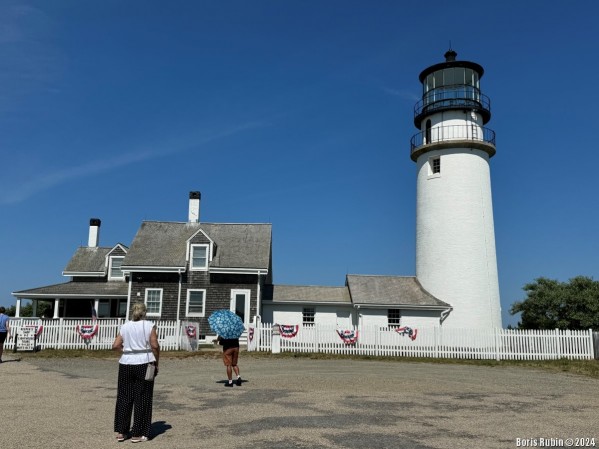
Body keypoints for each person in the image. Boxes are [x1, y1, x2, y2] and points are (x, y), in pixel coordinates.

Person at [112, 303, 160, 443]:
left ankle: (122, 431)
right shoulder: (149, 325)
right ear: (144, 313)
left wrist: (126, 351)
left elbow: (115, 345)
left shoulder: (125, 326)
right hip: (144, 362)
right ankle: (138, 433)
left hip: (126, 362)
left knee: (124, 396)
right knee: (142, 396)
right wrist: (157, 361)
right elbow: (155, 345)